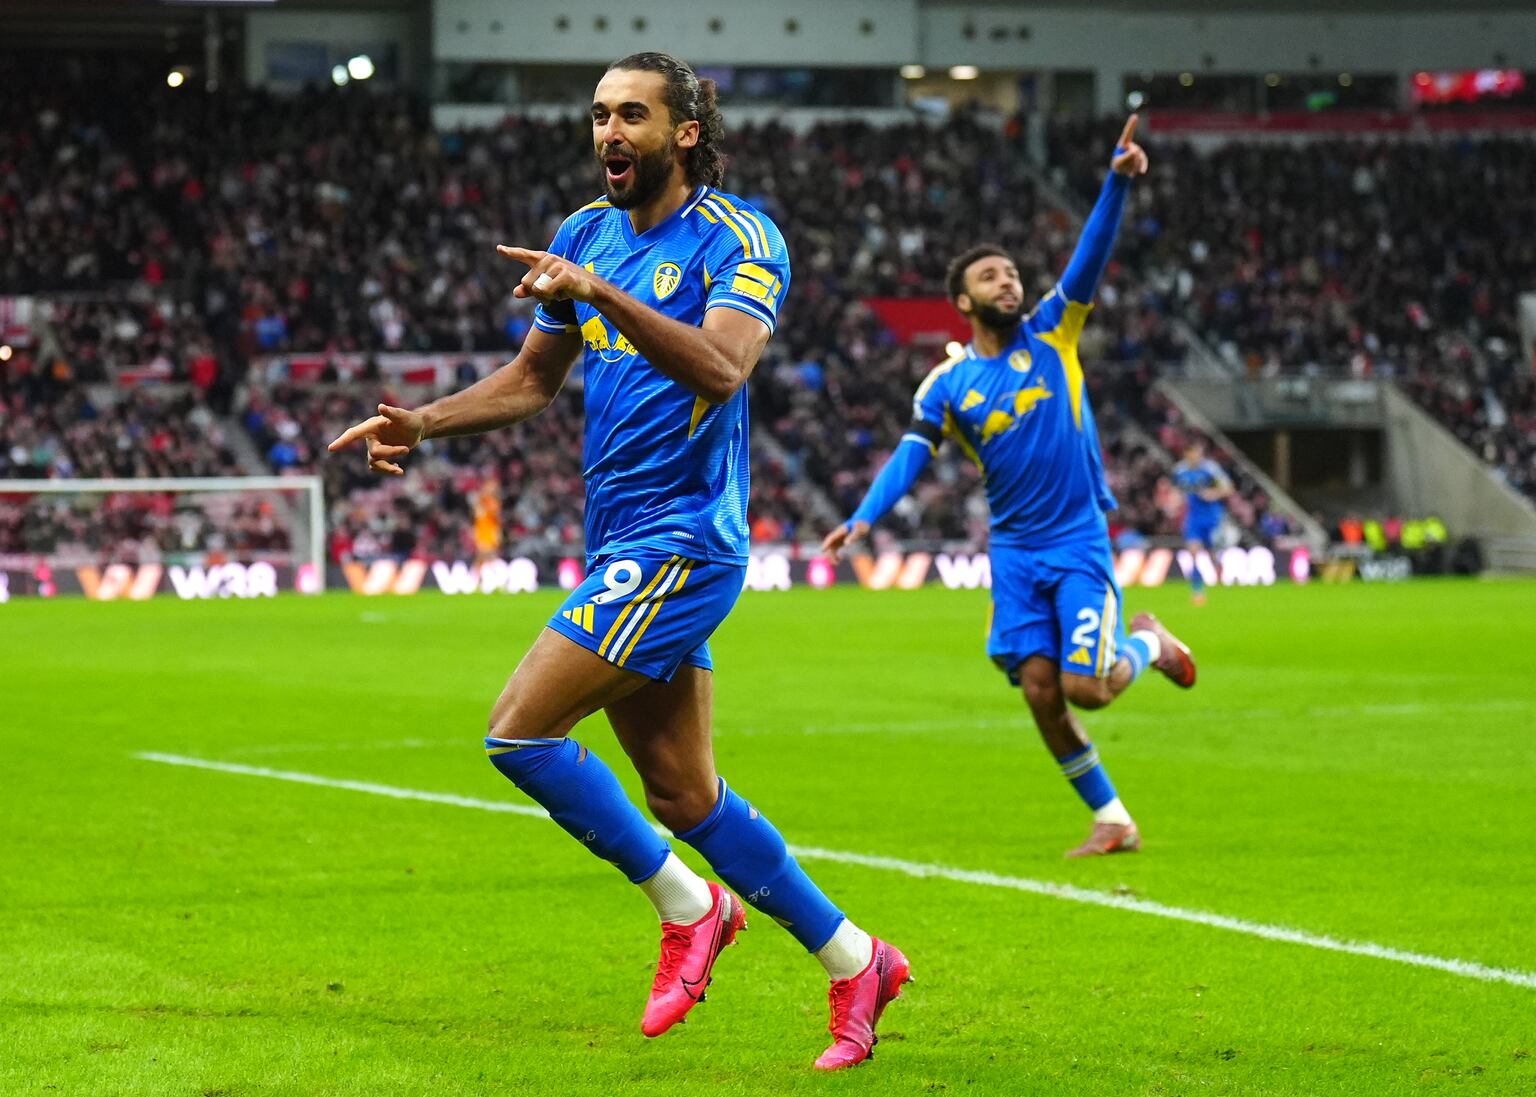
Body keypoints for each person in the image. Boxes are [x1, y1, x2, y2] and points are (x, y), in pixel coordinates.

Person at [328, 52, 907, 1071]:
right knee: (684, 796)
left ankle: (690, 906)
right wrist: (424, 421)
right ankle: (857, 959)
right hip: (621, 537)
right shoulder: (584, 234)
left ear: (684, 131)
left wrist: (600, 290)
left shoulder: (740, 237)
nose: (608, 131)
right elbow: (533, 378)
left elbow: (723, 368)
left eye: (631, 114)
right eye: (599, 114)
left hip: (686, 539)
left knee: (519, 733)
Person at [822, 116, 1196, 858]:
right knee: (1040, 689)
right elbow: (911, 454)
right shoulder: (947, 383)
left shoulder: (1053, 332)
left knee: (1089, 687)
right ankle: (1113, 819)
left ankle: (1148, 642)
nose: (1009, 282)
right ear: (962, 301)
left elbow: (1089, 259)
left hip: (1077, 538)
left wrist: (1117, 182)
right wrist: (864, 517)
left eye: (1013, 274)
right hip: (1016, 551)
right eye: (991, 276)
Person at [1169, 439, 1232, 605]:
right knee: (1193, 552)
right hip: (1193, 518)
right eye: (1193, 452)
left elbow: (1228, 488)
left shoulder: (1210, 469)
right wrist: (1174, 501)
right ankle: (1197, 590)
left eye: (1199, 452)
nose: (1196, 455)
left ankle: (1220, 576)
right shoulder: (1179, 471)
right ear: (1186, 453)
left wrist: (1213, 493)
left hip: (1212, 517)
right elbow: (1175, 491)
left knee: (1213, 554)